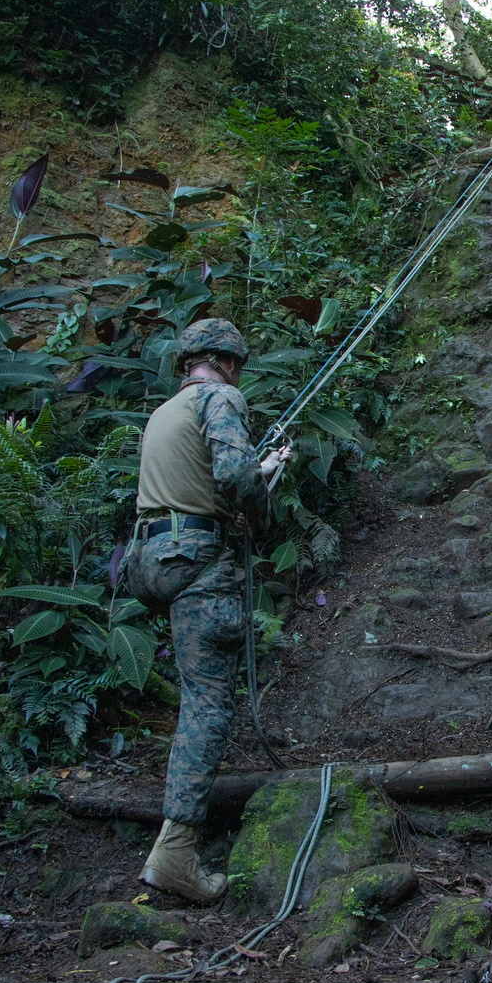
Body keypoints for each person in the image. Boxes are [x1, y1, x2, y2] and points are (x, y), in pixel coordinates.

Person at [124, 318, 292, 903]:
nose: (239, 374)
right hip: (196, 562)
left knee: (196, 694)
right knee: (207, 703)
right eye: (238, 364)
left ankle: (175, 842)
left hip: (151, 559)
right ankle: (175, 853)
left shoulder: (163, 412)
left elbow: (195, 486)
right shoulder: (221, 396)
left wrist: (245, 486)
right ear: (223, 360)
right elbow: (232, 474)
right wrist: (263, 486)